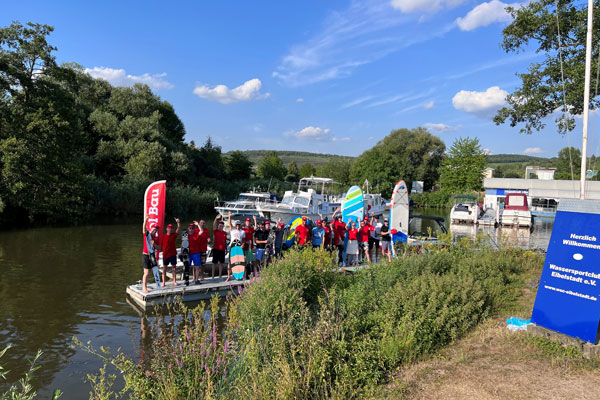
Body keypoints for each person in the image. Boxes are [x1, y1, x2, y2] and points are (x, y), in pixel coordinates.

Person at [141, 215, 160, 293]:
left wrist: (153, 244)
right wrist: (145, 220)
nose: (154, 230)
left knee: (151, 272)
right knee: (146, 272)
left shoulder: (156, 238)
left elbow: (159, 248)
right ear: (151, 228)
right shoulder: (147, 234)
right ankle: (143, 287)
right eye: (154, 229)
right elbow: (143, 228)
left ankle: (146, 286)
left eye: (156, 230)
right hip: (145, 255)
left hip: (152, 256)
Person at [160, 218, 180, 287]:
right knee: (164, 268)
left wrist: (178, 223)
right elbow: (159, 245)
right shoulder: (163, 236)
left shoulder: (173, 235)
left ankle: (174, 281)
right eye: (169, 228)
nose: (170, 229)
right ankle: (163, 282)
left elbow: (178, 229)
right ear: (167, 229)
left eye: (171, 228)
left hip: (173, 254)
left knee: (174, 268)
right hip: (165, 255)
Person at [227, 212, 245, 281]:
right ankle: (228, 276)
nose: (237, 226)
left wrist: (243, 244)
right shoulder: (232, 230)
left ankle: (239, 276)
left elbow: (243, 240)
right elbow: (229, 224)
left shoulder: (242, 232)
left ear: (240, 225)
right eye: (237, 225)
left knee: (239, 262)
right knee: (230, 262)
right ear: (235, 225)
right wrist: (229, 216)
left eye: (239, 225)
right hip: (232, 248)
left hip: (239, 248)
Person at [212, 213, 227, 279]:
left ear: (223, 226)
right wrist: (216, 218)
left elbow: (225, 242)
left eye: (222, 225)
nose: (220, 226)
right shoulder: (216, 231)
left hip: (222, 250)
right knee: (214, 263)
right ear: (218, 226)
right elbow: (214, 225)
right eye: (220, 225)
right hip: (216, 249)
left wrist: (226, 249)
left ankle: (220, 275)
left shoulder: (225, 233)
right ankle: (212, 276)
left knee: (221, 263)